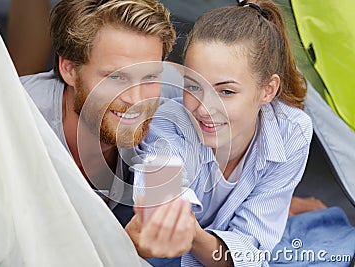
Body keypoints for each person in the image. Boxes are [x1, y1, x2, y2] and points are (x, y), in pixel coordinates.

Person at [133, 0, 314, 266]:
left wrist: (192, 234)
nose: (205, 108)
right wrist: (165, 207)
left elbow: (250, 253)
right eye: (194, 86)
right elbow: (160, 188)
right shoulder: (167, 122)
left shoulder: (292, 131)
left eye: (226, 91)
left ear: (268, 90)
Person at [21, 0, 197, 259]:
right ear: (69, 69)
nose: (136, 98)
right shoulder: (16, 116)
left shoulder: (171, 103)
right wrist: (119, 248)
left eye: (149, 77)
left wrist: (165, 210)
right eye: (116, 77)